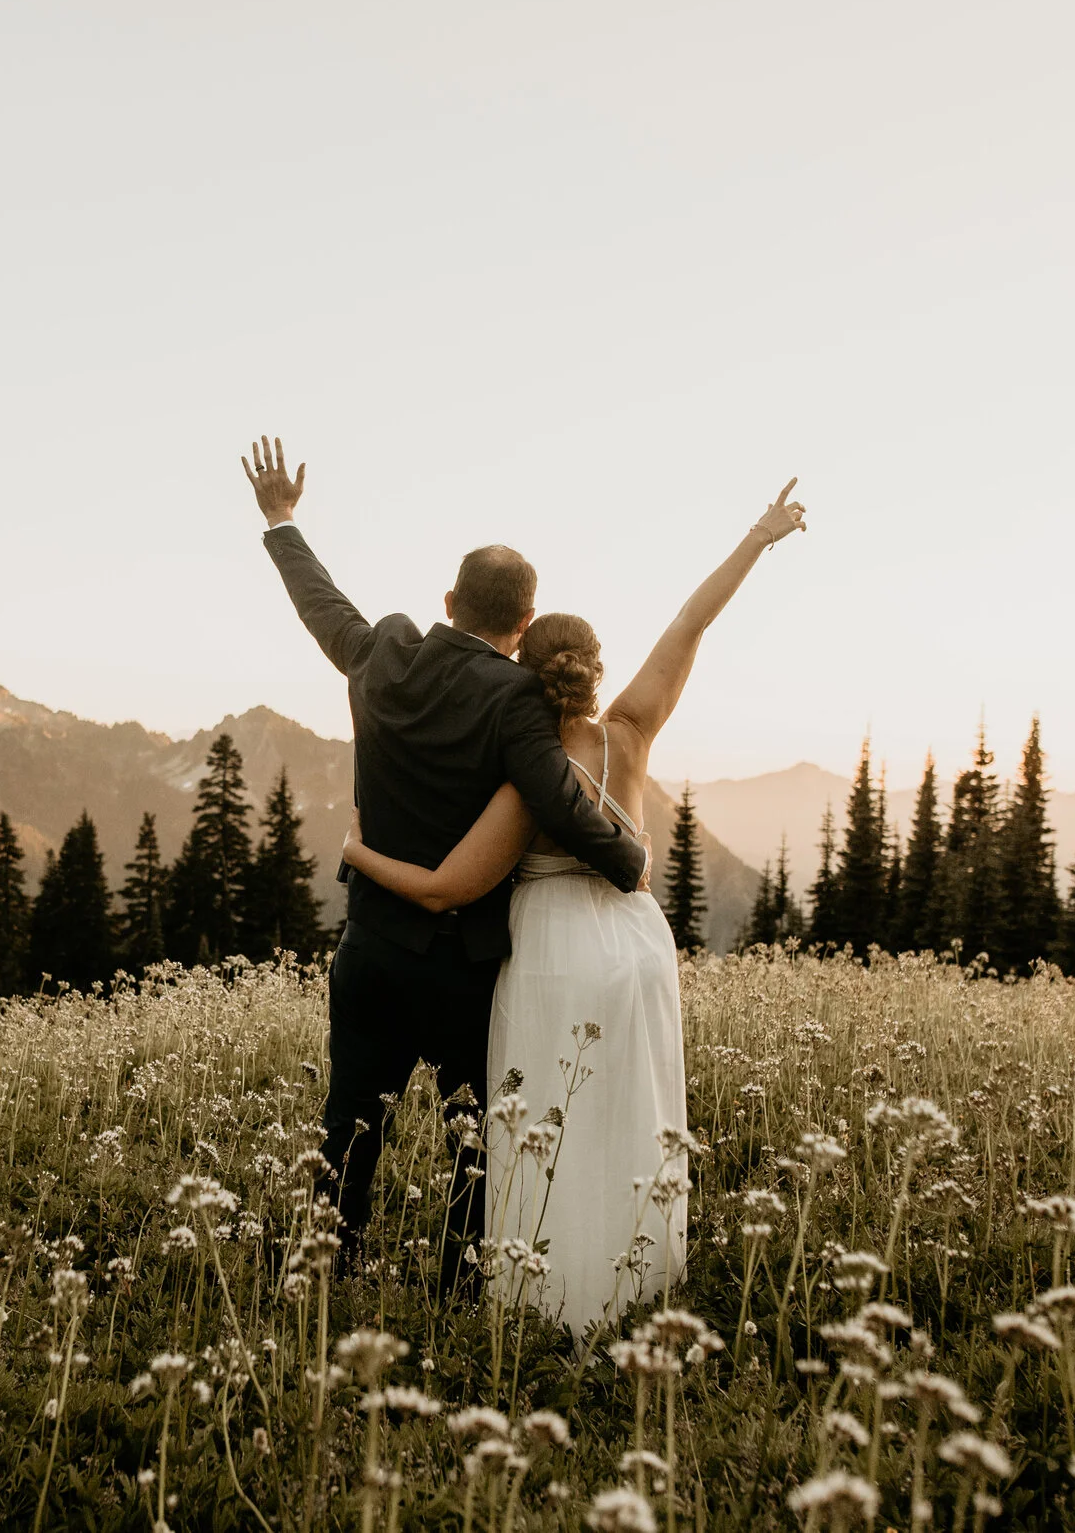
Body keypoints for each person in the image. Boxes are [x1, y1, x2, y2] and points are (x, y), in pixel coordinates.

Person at [341, 479, 807, 1332]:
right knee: (632, 1109)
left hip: (548, 948)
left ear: (521, 668)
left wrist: (360, 852)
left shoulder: (523, 771)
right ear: (594, 668)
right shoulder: (630, 729)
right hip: (636, 947)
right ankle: (637, 1275)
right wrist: (758, 537)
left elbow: (450, 883)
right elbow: (690, 623)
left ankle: (537, 1291)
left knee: (537, 1124)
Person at [240, 437, 649, 1285]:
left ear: (451, 599)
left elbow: (327, 611)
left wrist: (282, 521)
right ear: (523, 624)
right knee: (476, 1135)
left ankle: (324, 1260)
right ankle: (462, 1281)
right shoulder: (516, 699)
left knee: (350, 1118)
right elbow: (554, 797)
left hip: (373, 946)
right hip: (465, 965)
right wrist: (626, 857)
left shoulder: (386, 651)